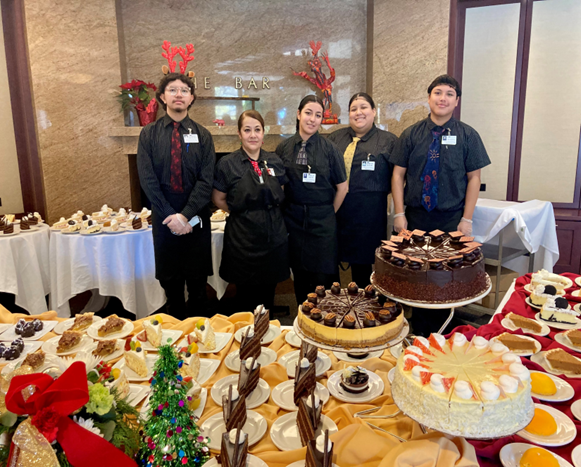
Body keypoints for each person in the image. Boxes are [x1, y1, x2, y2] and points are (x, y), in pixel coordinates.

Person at [391, 74, 491, 336]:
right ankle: (416, 334)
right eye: (438, 92)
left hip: (450, 219)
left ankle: (442, 334)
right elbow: (398, 175)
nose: (442, 98)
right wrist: (399, 213)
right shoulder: (411, 134)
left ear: (456, 101)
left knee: (444, 279)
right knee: (415, 277)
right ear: (428, 98)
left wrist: (466, 219)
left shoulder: (469, 135)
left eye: (449, 93)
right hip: (415, 218)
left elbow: (474, 178)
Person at [137, 72, 215, 320]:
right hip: (164, 216)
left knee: (198, 288)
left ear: (191, 98)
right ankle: (175, 344)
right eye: (173, 89)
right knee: (171, 289)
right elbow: (147, 179)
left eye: (184, 90)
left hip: (196, 216)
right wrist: (172, 215)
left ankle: (201, 345)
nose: (179, 94)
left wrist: (186, 215)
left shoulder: (203, 135)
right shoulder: (148, 134)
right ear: (162, 97)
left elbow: (206, 180)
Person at [212, 110, 289, 313]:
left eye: (257, 129)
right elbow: (218, 198)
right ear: (239, 133)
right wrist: (244, 211)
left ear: (264, 133)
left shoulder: (275, 162)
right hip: (242, 239)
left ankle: (269, 336)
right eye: (247, 130)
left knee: (268, 296)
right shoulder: (227, 164)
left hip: (273, 237)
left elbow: (281, 193)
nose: (253, 135)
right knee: (245, 299)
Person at [276, 95, 348, 306]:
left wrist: (328, 212)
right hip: (294, 219)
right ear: (298, 114)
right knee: (300, 275)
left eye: (318, 115)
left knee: (323, 278)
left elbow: (343, 187)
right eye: (308, 113)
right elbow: (280, 185)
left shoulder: (330, 149)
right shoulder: (284, 148)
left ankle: (325, 324)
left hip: (323, 220)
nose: (312, 119)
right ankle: (302, 319)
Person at [327, 92, 397, 287]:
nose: (359, 112)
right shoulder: (335, 138)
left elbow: (398, 178)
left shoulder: (388, 141)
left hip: (369, 214)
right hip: (337, 210)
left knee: (363, 268)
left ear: (374, 112)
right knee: (331, 262)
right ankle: (334, 307)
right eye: (353, 109)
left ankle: (363, 310)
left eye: (364, 107)